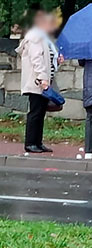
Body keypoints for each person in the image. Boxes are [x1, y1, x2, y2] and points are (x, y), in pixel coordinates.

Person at [16, 11, 60, 153]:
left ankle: (37, 142)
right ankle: (30, 143)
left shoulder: (44, 39)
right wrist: (42, 78)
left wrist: (58, 61)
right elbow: (37, 60)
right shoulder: (35, 37)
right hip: (37, 82)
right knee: (35, 112)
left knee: (40, 112)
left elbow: (48, 60)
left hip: (43, 82)